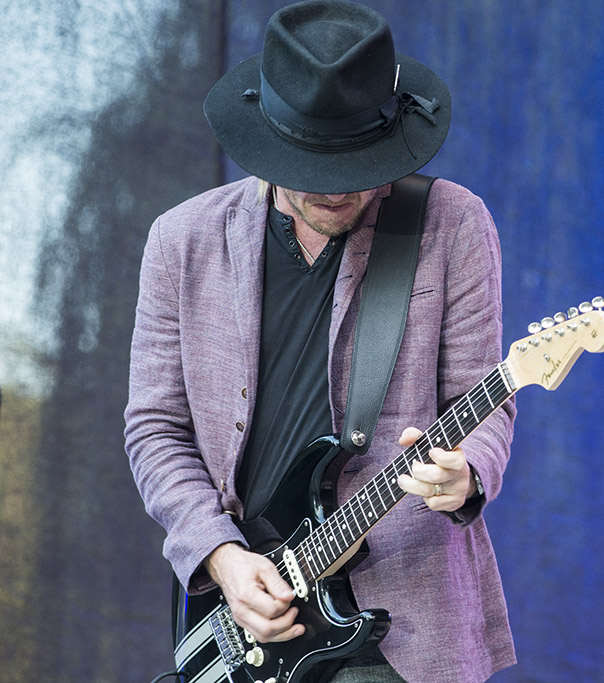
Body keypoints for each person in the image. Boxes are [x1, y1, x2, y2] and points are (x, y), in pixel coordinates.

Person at [124, 2, 516, 682]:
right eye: (315, 168)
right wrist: (220, 554)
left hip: (407, 617)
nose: (338, 191)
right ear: (271, 145)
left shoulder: (452, 224)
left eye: (358, 165)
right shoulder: (181, 242)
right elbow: (156, 428)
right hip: (247, 610)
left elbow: (484, 400)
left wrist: (469, 472)